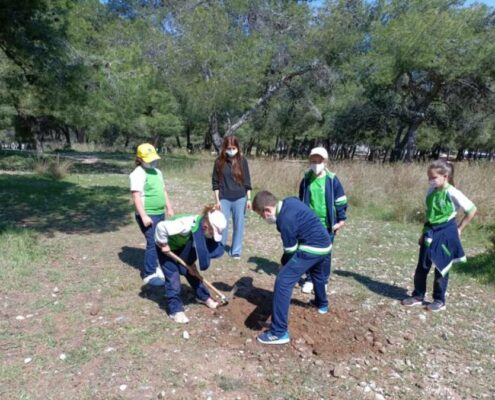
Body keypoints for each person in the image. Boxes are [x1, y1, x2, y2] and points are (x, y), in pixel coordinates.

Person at [252, 191, 332, 345]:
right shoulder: (290, 201)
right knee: (316, 273)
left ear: (267, 210)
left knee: (283, 281)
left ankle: (278, 332)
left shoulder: (284, 220)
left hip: (313, 247)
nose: (264, 219)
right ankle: (321, 304)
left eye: (262, 216)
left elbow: (290, 250)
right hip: (325, 243)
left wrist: (283, 265)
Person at [402, 160, 477, 312]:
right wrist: (423, 234)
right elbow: (430, 215)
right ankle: (418, 295)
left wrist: (459, 228)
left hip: (446, 233)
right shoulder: (431, 191)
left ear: (445, 176)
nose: (430, 180)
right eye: (429, 177)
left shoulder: (453, 192)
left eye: (433, 177)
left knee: (441, 267)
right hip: (430, 232)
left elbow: (472, 209)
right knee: (422, 266)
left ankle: (439, 300)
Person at [154, 206, 227, 323]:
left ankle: (203, 296)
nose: (212, 236)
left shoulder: (200, 229)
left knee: (192, 272)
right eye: (213, 233)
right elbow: (160, 227)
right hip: (165, 246)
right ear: (206, 226)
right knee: (173, 278)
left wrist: (191, 265)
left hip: (181, 246)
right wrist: (163, 244)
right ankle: (175, 310)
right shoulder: (185, 225)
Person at [298, 146, 348, 294]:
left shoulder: (332, 180)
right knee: (309, 252)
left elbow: (340, 200)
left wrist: (341, 220)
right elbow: (301, 201)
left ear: (325, 162)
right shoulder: (306, 180)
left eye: (319, 161)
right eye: (313, 161)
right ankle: (309, 279)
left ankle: (322, 281)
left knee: (325, 254)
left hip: (327, 225)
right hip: (310, 225)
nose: (316, 164)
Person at [129, 143, 174, 287]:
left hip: (160, 212)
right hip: (148, 215)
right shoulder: (138, 173)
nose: (152, 162)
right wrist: (143, 216)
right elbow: (136, 196)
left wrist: (169, 207)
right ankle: (149, 274)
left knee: (161, 240)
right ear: (140, 159)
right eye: (148, 160)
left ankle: (157, 267)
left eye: (153, 159)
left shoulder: (157, 172)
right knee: (152, 243)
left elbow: (163, 190)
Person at [212, 135, 252, 260]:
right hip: (224, 198)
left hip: (240, 197)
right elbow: (215, 183)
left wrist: (249, 199)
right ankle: (219, 248)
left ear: (237, 148)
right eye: (228, 148)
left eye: (233, 147)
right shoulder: (218, 162)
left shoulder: (242, 161)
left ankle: (235, 251)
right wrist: (217, 201)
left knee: (239, 225)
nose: (231, 150)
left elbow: (247, 181)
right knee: (221, 224)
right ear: (224, 148)